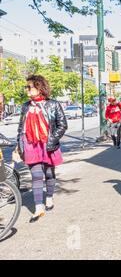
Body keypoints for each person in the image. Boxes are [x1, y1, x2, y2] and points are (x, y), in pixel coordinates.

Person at [16, 75, 67, 223]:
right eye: (26, 87)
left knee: (49, 173)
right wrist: (18, 144)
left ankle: (49, 198)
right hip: (31, 144)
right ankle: (39, 208)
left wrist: (52, 140)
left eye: (29, 87)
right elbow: (21, 127)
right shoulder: (26, 106)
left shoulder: (53, 104)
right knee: (36, 175)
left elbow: (62, 125)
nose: (27, 89)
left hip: (48, 143)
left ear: (39, 88)